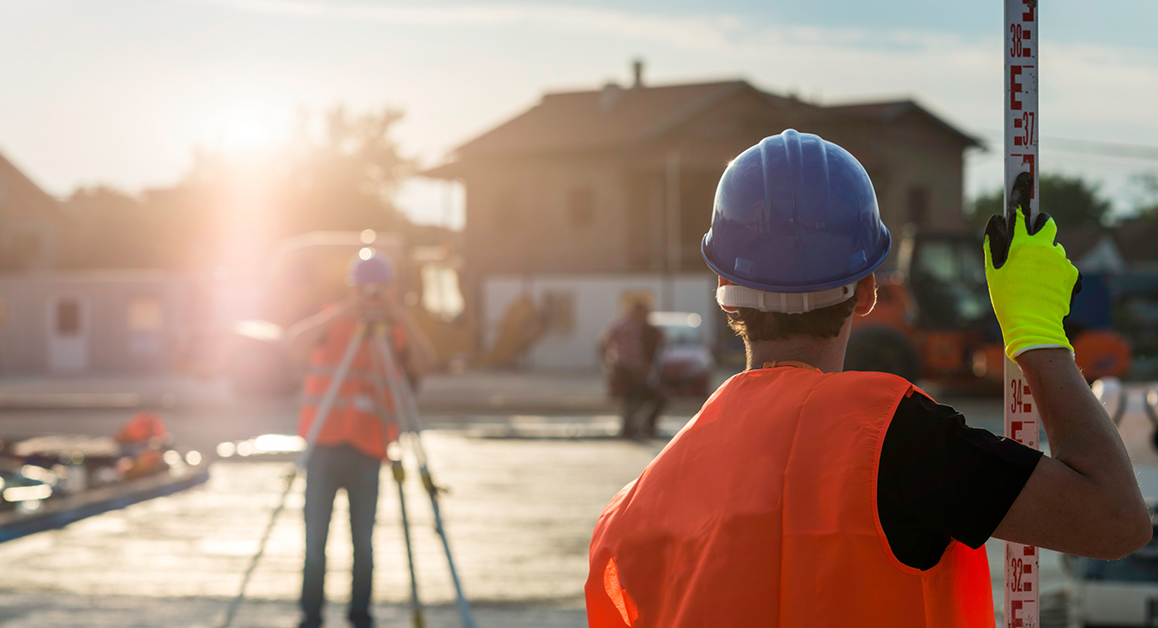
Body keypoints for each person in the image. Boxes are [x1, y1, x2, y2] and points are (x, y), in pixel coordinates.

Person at [585, 130, 1151, 627]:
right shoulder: (893, 440)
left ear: (723, 288)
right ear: (868, 291)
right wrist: (1038, 338)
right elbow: (1116, 520)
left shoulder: (632, 512)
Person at [283, 251, 434, 628]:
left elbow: (426, 363)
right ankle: (311, 615)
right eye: (365, 289)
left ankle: (360, 614)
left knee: (363, 545)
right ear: (352, 288)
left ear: (391, 290)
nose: (371, 296)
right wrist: (343, 312)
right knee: (315, 541)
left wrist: (400, 316)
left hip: (368, 448)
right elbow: (291, 344)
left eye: (379, 289)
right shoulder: (332, 320)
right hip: (324, 444)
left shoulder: (395, 330)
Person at [598, 301, 667, 438]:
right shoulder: (631, 327)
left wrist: (608, 361)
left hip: (625, 368)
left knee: (633, 398)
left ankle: (631, 426)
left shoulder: (621, 324)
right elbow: (635, 353)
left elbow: (603, 342)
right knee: (642, 397)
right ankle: (638, 426)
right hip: (629, 369)